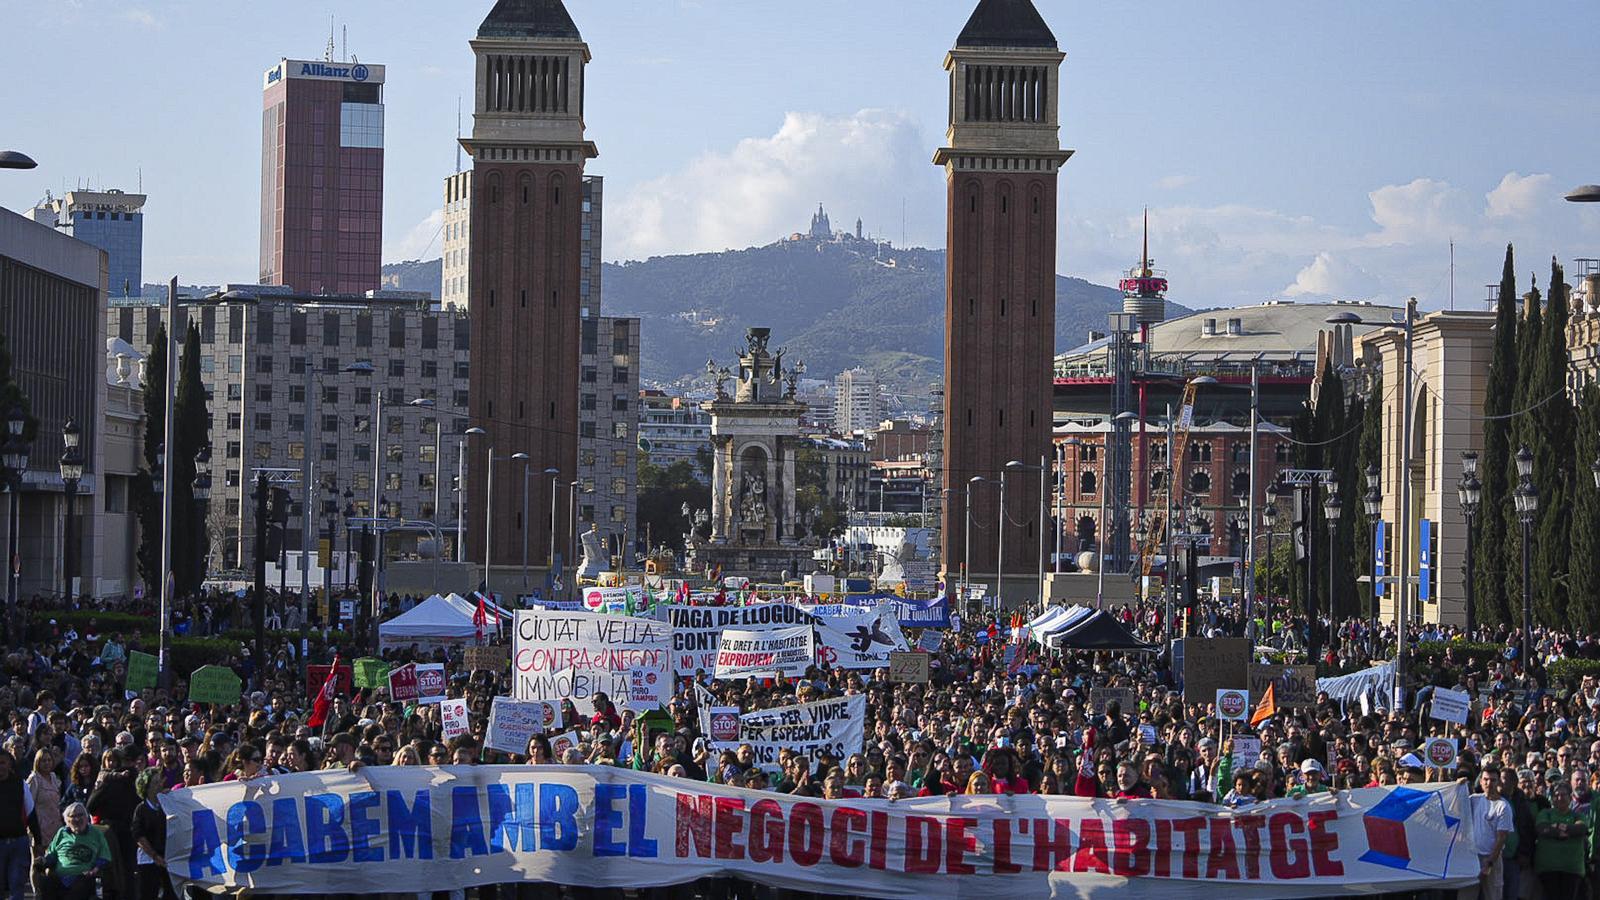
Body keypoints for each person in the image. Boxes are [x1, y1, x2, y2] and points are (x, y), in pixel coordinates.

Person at [36, 803, 110, 900]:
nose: (77, 819)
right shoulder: (62, 833)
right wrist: (44, 861)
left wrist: (95, 869)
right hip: (60, 878)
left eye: (80, 815)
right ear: (67, 820)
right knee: (45, 882)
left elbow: (105, 856)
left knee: (80, 887)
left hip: (83, 877)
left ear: (86, 817)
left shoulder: (96, 833)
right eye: (73, 816)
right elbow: (52, 855)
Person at [1464, 765, 1514, 900]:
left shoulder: (1503, 806)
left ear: (1498, 782)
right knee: (1466, 895)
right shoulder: (1473, 799)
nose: (1489, 783)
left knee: (1494, 896)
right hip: (1472, 858)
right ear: (1480, 781)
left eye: (1493, 780)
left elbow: (1501, 837)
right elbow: (1455, 808)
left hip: (1492, 858)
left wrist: (1490, 862)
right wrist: (1458, 786)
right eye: (1485, 779)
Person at [1533, 782, 1586, 900]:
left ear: (1570, 796)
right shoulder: (1545, 813)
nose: (1560, 798)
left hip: (1572, 869)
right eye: (1556, 795)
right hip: (1548, 868)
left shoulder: (1577, 815)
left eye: (1564, 795)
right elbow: (1542, 828)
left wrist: (1557, 827)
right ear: (1551, 798)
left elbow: (1581, 828)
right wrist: (1564, 831)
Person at [0, 751, 39, 900]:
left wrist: (38, 841)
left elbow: (30, 813)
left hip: (18, 842)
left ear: (9, 764)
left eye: (3, 762)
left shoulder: (20, 784)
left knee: (17, 885)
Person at [130, 770, 174, 900]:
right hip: (148, 859)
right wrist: (154, 856)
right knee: (148, 893)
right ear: (146, 788)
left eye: (159, 781)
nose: (159, 785)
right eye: (155, 783)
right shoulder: (141, 809)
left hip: (167, 857)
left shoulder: (166, 804)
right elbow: (138, 835)